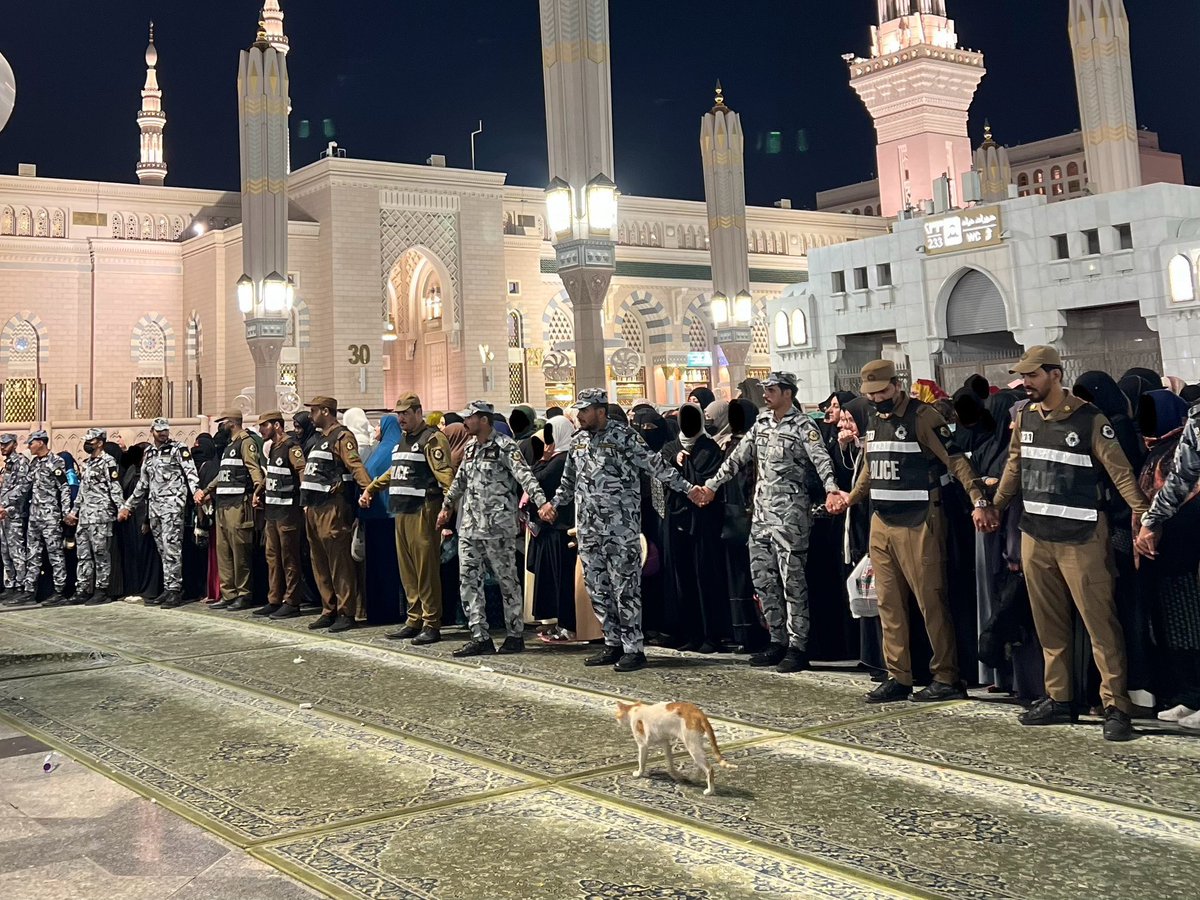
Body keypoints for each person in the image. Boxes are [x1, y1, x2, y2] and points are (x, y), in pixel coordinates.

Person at [994, 347, 1149, 742]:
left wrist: (1143, 514)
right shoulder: (1026, 417)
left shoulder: (1090, 418)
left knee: (1101, 625)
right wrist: (995, 506)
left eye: (1033, 376)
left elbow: (1120, 473)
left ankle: (1116, 706)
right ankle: (1059, 699)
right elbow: (1015, 465)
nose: (1026, 383)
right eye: (1023, 377)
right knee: (1050, 626)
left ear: (1055, 374)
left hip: (1081, 539)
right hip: (1036, 536)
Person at [836, 360, 993, 703]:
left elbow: (956, 460)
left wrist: (979, 498)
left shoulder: (923, 417)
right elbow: (868, 467)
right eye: (870, 395)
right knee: (888, 603)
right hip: (883, 522)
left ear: (895, 385)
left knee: (931, 602)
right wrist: (852, 499)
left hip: (921, 520)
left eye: (881, 392)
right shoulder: (875, 420)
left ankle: (946, 676)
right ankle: (898, 675)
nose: (876, 399)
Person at [543, 388, 699, 673]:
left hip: (620, 528)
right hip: (589, 530)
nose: (580, 416)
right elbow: (568, 483)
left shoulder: (625, 437)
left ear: (601, 411)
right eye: (578, 411)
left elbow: (657, 466)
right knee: (597, 588)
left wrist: (689, 490)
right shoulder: (578, 442)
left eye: (585, 410)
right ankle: (612, 641)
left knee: (625, 588)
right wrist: (552, 504)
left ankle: (633, 648)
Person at [699, 372, 840, 673]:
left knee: (793, 582)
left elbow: (821, 461)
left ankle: (798, 645)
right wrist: (712, 485)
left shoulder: (803, 426)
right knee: (763, 581)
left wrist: (831, 490)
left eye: (772, 389)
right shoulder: (761, 423)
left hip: (791, 516)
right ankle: (776, 639)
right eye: (764, 389)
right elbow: (737, 459)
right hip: (761, 516)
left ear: (788, 393)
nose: (766, 395)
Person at [440, 401, 551, 656]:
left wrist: (542, 503)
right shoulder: (469, 448)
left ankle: (514, 634)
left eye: (470, 418)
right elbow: (460, 481)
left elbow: (525, 476)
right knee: (468, 581)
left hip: (497, 528)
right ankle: (480, 636)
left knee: (507, 581)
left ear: (484, 420)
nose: (465, 422)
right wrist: (446, 507)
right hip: (469, 527)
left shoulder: (505, 446)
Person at [360, 393, 453, 643]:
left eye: (406, 413)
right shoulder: (402, 439)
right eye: (399, 414)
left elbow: (445, 477)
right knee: (408, 570)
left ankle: (432, 622)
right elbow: (396, 470)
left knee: (426, 569)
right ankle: (414, 618)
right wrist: (372, 488)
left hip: (424, 509)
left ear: (418, 412)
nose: (401, 418)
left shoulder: (431, 439)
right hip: (401, 509)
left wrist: (448, 511)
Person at [1135, 392, 1200, 729]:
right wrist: (1151, 523)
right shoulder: (1192, 423)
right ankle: (1191, 695)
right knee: (1181, 624)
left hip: (1185, 543)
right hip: (1174, 551)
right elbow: (1180, 480)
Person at [300, 396, 374, 632]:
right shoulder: (318, 440)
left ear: (325, 411)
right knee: (319, 561)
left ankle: (346, 611)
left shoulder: (342, 437)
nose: (311, 416)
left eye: (313, 411)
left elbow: (355, 466)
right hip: (313, 507)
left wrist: (368, 489)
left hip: (332, 505)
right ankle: (328, 608)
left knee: (339, 561)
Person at [663, 402, 730, 652]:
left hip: (704, 524)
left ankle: (711, 634)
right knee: (684, 578)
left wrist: (694, 486)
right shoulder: (670, 448)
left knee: (706, 577)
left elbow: (711, 483)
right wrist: (673, 459)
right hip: (677, 522)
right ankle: (690, 632)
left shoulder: (709, 448)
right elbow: (660, 477)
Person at [118, 419, 199, 607]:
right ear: (152, 431)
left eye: (166, 431)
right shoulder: (149, 453)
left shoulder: (178, 448)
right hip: (155, 509)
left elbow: (190, 472)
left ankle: (175, 591)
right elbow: (143, 484)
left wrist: (196, 491)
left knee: (172, 549)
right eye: (159, 431)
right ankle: (168, 587)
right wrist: (128, 506)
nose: (163, 434)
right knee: (163, 551)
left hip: (172, 507)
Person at [196, 410, 264, 611]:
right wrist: (207, 490)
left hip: (238, 503)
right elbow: (223, 474)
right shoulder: (228, 447)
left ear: (232, 423)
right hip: (223, 504)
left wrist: (258, 489)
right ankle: (228, 593)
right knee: (223, 551)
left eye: (223, 422)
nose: (220, 426)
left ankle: (243, 594)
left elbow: (253, 468)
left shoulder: (245, 442)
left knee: (240, 551)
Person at [252, 411, 307, 620]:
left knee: (289, 557)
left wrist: (304, 503)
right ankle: (274, 598)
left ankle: (292, 601)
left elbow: (301, 472)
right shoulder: (273, 448)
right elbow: (273, 475)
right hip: (272, 511)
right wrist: (258, 492)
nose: (261, 430)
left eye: (264, 425)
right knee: (272, 557)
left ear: (276, 425)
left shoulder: (291, 447)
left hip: (288, 511)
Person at [528, 416, 578, 640]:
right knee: (556, 580)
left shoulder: (563, 460)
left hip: (562, 527)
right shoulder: (556, 458)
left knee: (563, 581)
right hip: (554, 527)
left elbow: (536, 480)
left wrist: (542, 460)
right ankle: (560, 624)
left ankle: (567, 626)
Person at [65, 428, 123, 605]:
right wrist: (74, 511)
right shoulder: (87, 463)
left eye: (91, 441)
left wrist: (121, 507)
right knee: (83, 555)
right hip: (84, 516)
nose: (87, 444)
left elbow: (114, 487)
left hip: (101, 515)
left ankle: (101, 589)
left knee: (100, 554)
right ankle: (83, 588)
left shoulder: (108, 461)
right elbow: (82, 490)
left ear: (100, 442)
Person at [23, 430, 72, 605]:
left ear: (41, 443)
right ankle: (30, 590)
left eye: (32, 443)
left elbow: (64, 487)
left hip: (50, 515)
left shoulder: (56, 462)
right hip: (35, 515)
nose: (29, 446)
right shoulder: (34, 463)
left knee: (55, 553)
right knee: (33, 553)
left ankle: (59, 590)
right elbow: (26, 485)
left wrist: (66, 511)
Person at [0, 433, 32, 606]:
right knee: (5, 552)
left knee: (17, 552)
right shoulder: (7, 465)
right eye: (1, 445)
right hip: (2, 514)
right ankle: (10, 585)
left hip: (13, 514)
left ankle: (21, 586)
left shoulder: (20, 462)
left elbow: (23, 488)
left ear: (14, 444)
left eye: (5, 444)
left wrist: (6, 504)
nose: (2, 448)